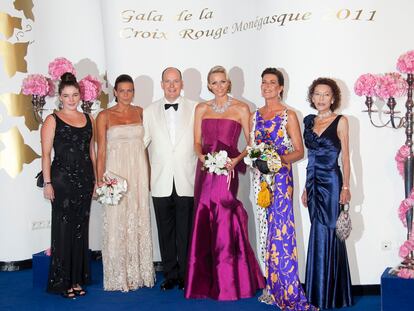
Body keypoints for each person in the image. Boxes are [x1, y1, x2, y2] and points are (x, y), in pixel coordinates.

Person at [185, 65, 264, 300]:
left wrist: (236, 160)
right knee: (202, 212)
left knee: (223, 215)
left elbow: (252, 143)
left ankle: (230, 279)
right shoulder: (201, 108)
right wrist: (201, 157)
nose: (219, 86)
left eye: (223, 82)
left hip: (228, 171)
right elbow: (197, 142)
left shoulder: (241, 108)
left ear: (228, 84)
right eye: (214, 82)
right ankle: (204, 279)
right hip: (206, 168)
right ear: (209, 85)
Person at [252, 68, 317, 310]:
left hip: (280, 180)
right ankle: (272, 286)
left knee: (281, 232)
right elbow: (252, 149)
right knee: (266, 231)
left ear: (280, 88)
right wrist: (256, 160)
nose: (267, 86)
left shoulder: (288, 115)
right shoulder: (255, 115)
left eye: (272, 82)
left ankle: (288, 289)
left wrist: (275, 160)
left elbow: (299, 151)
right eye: (264, 82)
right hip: (260, 182)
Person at [96, 74, 155, 291]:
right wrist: (99, 180)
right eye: (122, 91)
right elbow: (100, 151)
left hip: (138, 172)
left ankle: (139, 273)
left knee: (137, 216)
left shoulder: (141, 112)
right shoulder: (104, 115)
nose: (126, 94)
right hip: (115, 173)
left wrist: (149, 175)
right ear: (115, 92)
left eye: (130, 90)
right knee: (116, 221)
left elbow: (146, 147)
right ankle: (119, 275)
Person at [42, 72, 96, 298]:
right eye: (66, 95)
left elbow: (91, 152)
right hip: (62, 181)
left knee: (80, 230)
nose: (71, 99)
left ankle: (76, 279)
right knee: (63, 231)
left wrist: (95, 180)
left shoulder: (88, 118)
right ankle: (62, 282)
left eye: (75, 95)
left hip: (84, 181)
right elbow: (45, 155)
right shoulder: (52, 120)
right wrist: (47, 183)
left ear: (80, 95)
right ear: (60, 97)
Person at [143, 67, 197, 291]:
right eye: (168, 81)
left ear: (182, 83)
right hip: (160, 179)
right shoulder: (149, 111)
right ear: (162, 84)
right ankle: (170, 275)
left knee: (186, 232)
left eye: (176, 81)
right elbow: (140, 145)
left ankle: (186, 276)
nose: (172, 85)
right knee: (165, 232)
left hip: (188, 178)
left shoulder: (196, 108)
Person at [301, 77, 353, 309]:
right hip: (312, 182)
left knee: (329, 232)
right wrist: (305, 187)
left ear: (333, 98)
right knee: (316, 230)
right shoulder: (309, 122)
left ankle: (331, 294)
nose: (321, 99)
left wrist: (346, 187)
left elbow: (346, 157)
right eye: (317, 94)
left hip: (332, 182)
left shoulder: (341, 121)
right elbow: (310, 159)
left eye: (326, 95)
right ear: (312, 97)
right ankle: (316, 291)